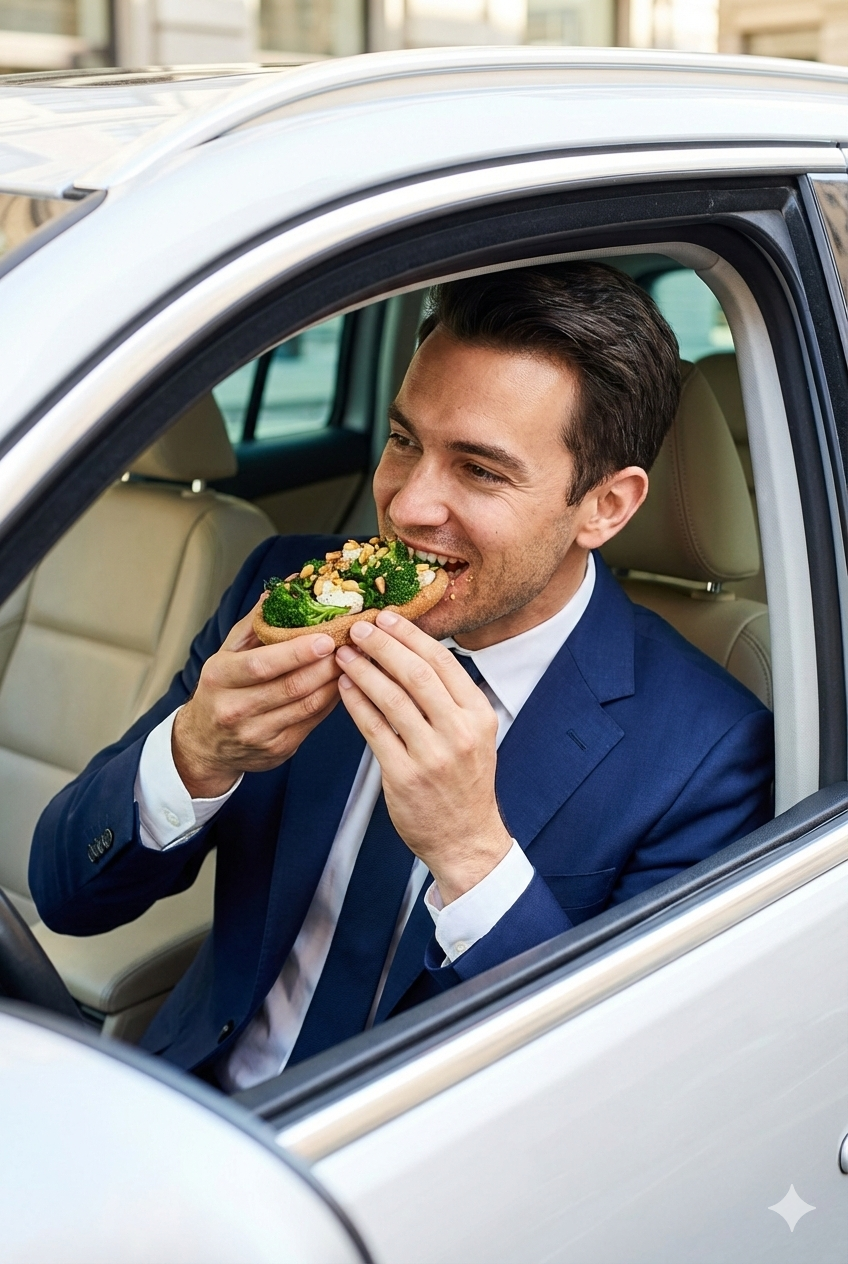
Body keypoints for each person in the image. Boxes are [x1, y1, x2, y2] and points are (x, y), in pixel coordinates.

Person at [29, 263, 774, 1091]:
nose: (407, 504)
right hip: (193, 1095)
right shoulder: (286, 592)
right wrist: (196, 752)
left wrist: (471, 853)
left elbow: (625, 1088)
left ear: (605, 506)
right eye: (404, 440)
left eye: (480, 470)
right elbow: (66, 896)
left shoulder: (709, 751)